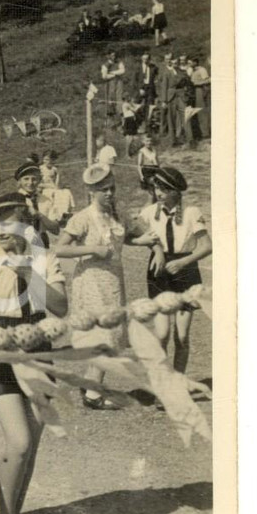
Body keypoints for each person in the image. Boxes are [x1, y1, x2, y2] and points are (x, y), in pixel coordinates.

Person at [0, 192, 68, 514]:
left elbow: (61, 307)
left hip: (37, 348)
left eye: (8, 222)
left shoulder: (43, 260)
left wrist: (28, 275)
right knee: (18, 443)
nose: (1, 230)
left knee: (32, 443)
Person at [55, 165, 159, 410]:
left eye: (112, 188)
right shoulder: (83, 218)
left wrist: (145, 241)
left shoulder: (116, 214)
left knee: (111, 336)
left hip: (113, 281)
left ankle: (92, 383)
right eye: (104, 190)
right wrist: (91, 249)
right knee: (104, 337)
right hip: (91, 283)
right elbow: (60, 249)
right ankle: (92, 394)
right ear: (92, 192)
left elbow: (124, 238)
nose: (110, 194)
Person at [138, 167, 212, 378]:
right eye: (156, 188)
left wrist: (183, 262)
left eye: (162, 189)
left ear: (175, 191)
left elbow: (207, 246)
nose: (158, 193)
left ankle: (177, 383)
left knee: (182, 336)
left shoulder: (191, 212)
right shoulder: (150, 211)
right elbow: (134, 233)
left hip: (185, 271)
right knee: (162, 334)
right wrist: (157, 250)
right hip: (159, 270)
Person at [15, 159, 60, 249]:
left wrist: (39, 215)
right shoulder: (14, 200)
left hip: (43, 242)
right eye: (26, 179)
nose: (30, 183)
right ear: (19, 181)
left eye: (34, 179)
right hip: (22, 243)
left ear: (39, 180)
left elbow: (56, 230)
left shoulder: (46, 200)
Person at [157, 54, 187, 145]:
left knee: (185, 116)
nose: (174, 64)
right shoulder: (165, 72)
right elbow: (163, 87)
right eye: (172, 62)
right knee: (171, 119)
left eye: (176, 62)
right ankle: (173, 140)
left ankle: (187, 138)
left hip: (181, 96)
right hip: (170, 97)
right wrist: (164, 101)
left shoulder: (182, 72)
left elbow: (185, 83)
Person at [188, 57, 210, 139]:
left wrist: (196, 83)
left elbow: (207, 81)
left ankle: (205, 133)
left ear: (195, 62)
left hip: (200, 90)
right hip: (193, 92)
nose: (189, 64)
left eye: (191, 63)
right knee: (194, 111)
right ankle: (198, 133)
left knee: (201, 111)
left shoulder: (202, 70)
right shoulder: (192, 70)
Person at [101, 51, 126, 119]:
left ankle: (120, 112)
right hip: (110, 82)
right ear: (108, 56)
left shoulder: (119, 62)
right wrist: (114, 75)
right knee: (110, 96)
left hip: (118, 81)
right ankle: (110, 113)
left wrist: (113, 72)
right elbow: (104, 76)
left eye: (114, 55)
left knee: (119, 95)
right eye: (112, 55)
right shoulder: (105, 65)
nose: (113, 57)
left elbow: (122, 71)